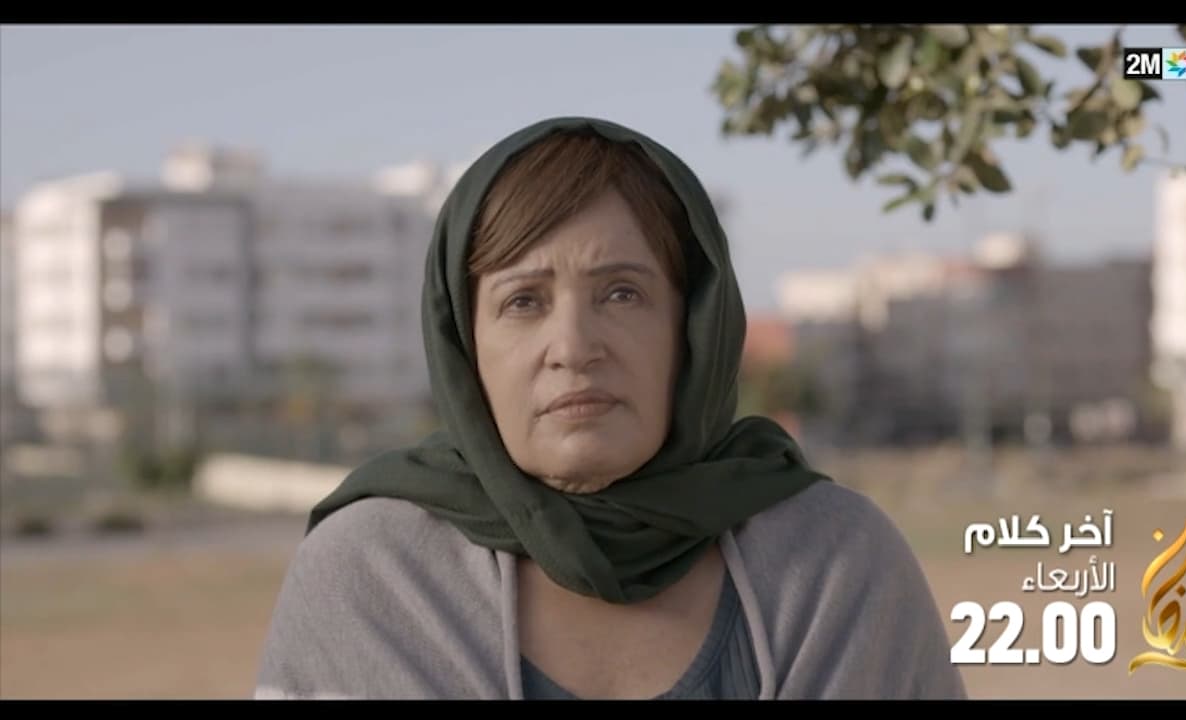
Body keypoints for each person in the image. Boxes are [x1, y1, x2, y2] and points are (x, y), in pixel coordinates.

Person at [254, 116, 966, 700]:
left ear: (692, 329)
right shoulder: (369, 577)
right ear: (466, 344)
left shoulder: (837, 561)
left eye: (622, 293)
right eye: (522, 301)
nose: (573, 347)